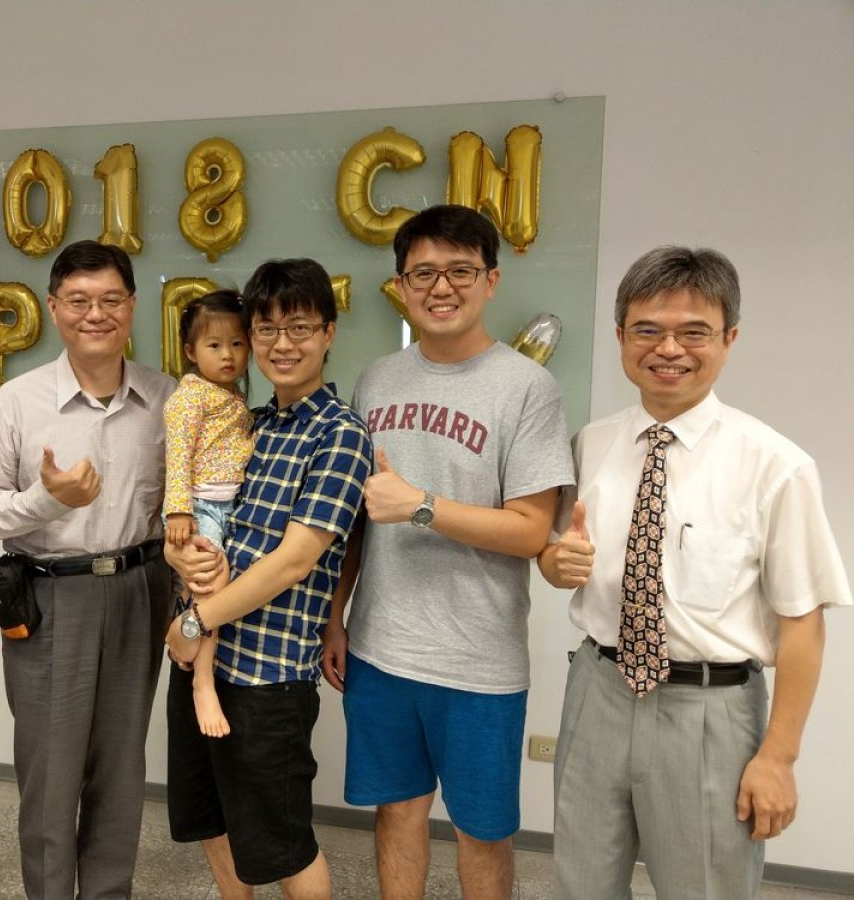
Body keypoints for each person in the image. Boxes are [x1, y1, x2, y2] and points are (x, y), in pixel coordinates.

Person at [537, 246, 851, 900]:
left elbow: (803, 624)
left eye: (694, 332)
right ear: (620, 336)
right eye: (647, 329)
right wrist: (554, 563)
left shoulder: (776, 465)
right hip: (597, 691)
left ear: (729, 338)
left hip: (711, 712)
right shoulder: (592, 443)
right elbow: (558, 555)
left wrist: (779, 756)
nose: (669, 349)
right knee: (579, 886)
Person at [321, 204, 574, 900]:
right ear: (401, 285)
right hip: (381, 649)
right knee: (396, 812)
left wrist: (422, 505)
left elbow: (531, 530)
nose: (441, 287)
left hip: (479, 662)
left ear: (491, 280)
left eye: (460, 271)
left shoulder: (527, 388)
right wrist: (335, 616)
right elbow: (359, 518)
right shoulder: (376, 380)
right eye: (423, 272)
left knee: (480, 830)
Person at [0, 240, 176, 900]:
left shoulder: (166, 398)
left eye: (110, 299)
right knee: (51, 777)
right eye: (79, 301)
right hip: (51, 598)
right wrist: (46, 500)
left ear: (131, 306)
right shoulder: (17, 401)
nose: (95, 314)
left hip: (141, 590)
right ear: (53, 309)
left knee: (122, 770)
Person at [164, 258, 373, 900]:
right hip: (204, 659)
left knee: (283, 844)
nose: (282, 344)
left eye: (300, 327)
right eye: (267, 329)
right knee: (211, 818)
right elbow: (204, 514)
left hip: (269, 674)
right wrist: (178, 556)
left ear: (328, 334)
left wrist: (195, 620)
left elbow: (295, 560)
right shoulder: (249, 422)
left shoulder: (340, 435)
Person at [162, 290, 254, 738]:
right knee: (213, 585)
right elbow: (177, 456)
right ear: (190, 351)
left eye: (237, 344)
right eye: (214, 345)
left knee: (202, 588)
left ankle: (184, 646)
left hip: (225, 504)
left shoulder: (232, 396)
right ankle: (202, 682)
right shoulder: (190, 397)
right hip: (200, 506)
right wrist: (179, 511)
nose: (228, 355)